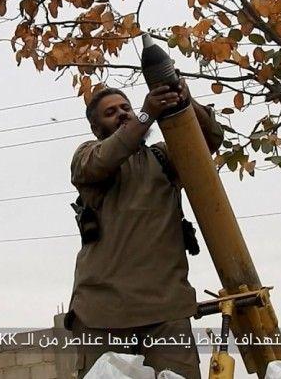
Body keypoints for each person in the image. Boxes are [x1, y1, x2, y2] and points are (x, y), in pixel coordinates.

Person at [64, 80, 224, 379]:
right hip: (102, 314)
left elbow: (209, 139)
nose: (122, 114)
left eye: (126, 107)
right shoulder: (87, 157)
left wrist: (184, 99)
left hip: (166, 312)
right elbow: (103, 160)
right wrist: (146, 114)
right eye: (111, 112)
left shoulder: (165, 158)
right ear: (97, 128)